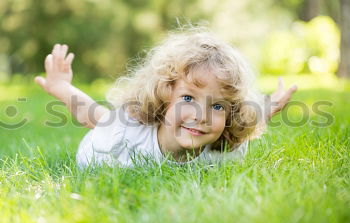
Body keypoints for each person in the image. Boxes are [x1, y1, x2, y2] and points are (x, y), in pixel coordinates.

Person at [34, 30, 297, 168]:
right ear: (164, 95)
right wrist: (60, 87)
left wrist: (268, 108)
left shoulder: (224, 151)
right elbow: (92, 115)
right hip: (100, 160)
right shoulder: (130, 129)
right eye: (188, 98)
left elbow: (249, 119)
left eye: (217, 106)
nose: (201, 116)